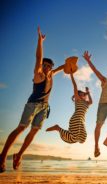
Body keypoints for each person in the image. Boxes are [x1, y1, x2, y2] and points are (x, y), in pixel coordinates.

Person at [0, 27, 64, 172]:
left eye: (49, 66)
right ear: (42, 66)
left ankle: (18, 155)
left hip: (44, 107)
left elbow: (60, 68)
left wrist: (69, 65)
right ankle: (2, 157)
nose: (47, 67)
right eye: (45, 65)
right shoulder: (39, 75)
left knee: (34, 131)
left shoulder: (51, 75)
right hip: (32, 105)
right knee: (21, 128)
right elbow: (38, 58)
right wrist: (40, 42)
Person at [46, 70, 92, 143]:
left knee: (83, 138)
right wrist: (71, 75)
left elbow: (91, 102)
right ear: (78, 95)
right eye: (80, 93)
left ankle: (59, 129)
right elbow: (75, 86)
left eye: (83, 94)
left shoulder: (86, 103)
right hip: (76, 119)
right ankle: (57, 128)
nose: (83, 94)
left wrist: (88, 93)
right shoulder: (78, 100)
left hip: (82, 121)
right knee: (73, 138)